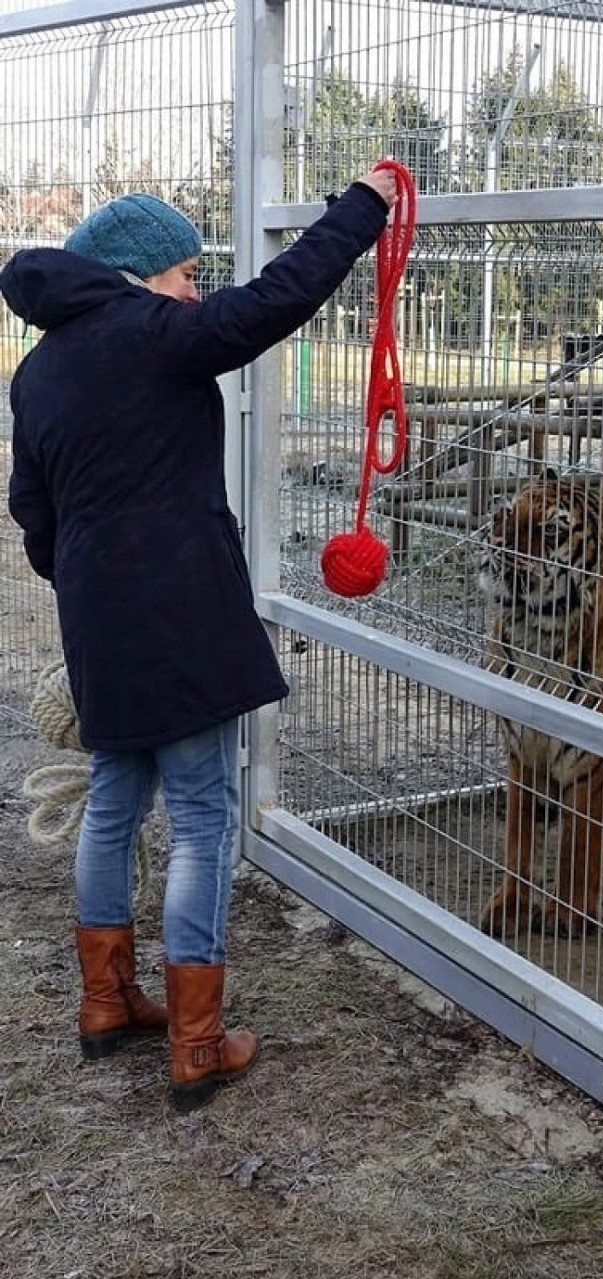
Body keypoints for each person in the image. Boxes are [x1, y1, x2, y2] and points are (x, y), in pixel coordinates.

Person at [0, 167, 399, 1113]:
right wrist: (363, 205)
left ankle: (106, 1002)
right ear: (138, 274)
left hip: (99, 612)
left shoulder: (39, 367)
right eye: (184, 271)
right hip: (181, 608)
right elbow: (275, 300)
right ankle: (196, 1040)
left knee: (112, 799)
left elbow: (32, 509)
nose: (194, 288)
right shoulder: (153, 334)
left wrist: (92, 587)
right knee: (205, 813)